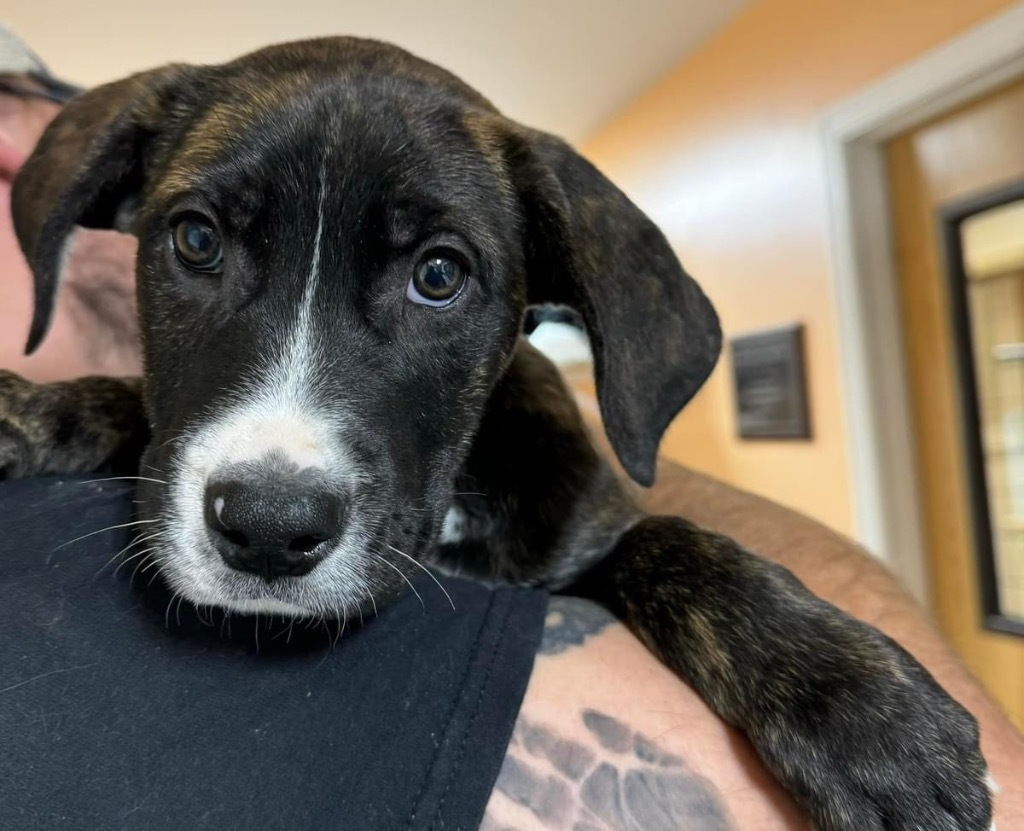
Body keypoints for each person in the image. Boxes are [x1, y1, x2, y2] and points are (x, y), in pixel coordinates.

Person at [1, 26, 1021, 830]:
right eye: (198, 239)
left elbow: (611, 543)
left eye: (438, 274)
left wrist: (749, 621)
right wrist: (97, 413)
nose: (278, 457)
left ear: (542, 302)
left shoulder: (548, 468)